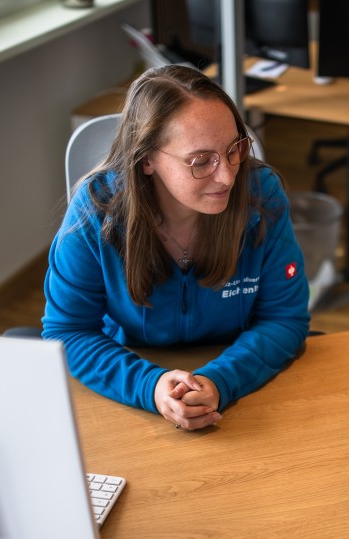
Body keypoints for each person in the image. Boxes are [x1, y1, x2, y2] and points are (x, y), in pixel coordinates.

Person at [43, 65, 310, 430]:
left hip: (236, 362)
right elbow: (68, 331)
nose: (228, 175)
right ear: (147, 159)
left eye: (235, 149)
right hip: (131, 365)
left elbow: (284, 318)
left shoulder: (260, 194)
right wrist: (149, 385)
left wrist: (220, 380)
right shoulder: (95, 210)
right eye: (201, 161)